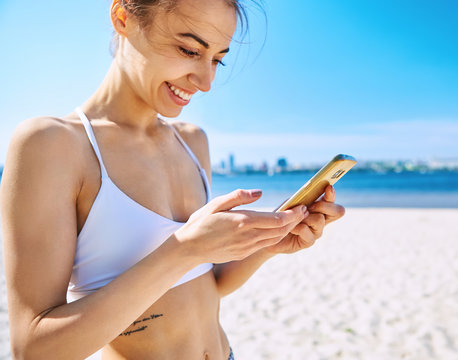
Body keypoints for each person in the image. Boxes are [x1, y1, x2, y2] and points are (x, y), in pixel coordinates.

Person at [0, 0, 345, 359]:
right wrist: (184, 249)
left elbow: (206, 285)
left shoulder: (193, 141)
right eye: (189, 50)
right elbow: (34, 348)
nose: (206, 81)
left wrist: (268, 243)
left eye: (217, 59)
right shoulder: (52, 145)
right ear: (123, 17)